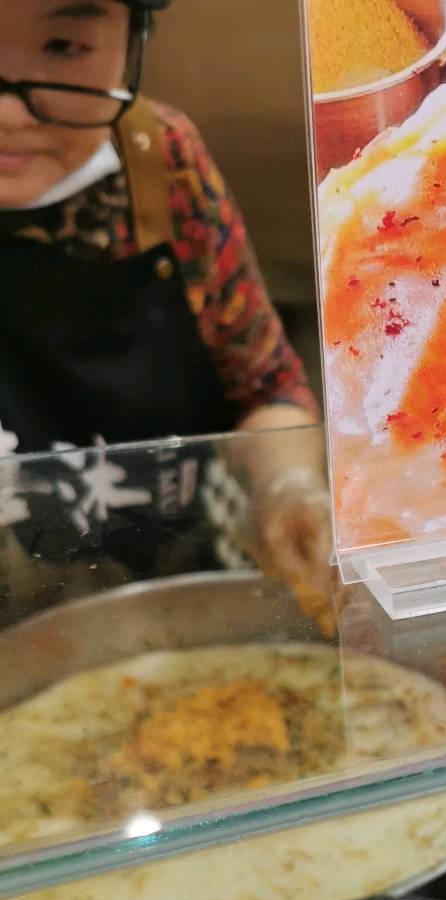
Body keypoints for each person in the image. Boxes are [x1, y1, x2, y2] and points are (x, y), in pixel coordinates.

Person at [0, 0, 331, 618]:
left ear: (133, 41)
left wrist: (286, 484)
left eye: (64, 47)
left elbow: (266, 389)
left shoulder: (160, 161)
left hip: (191, 592)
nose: (9, 114)